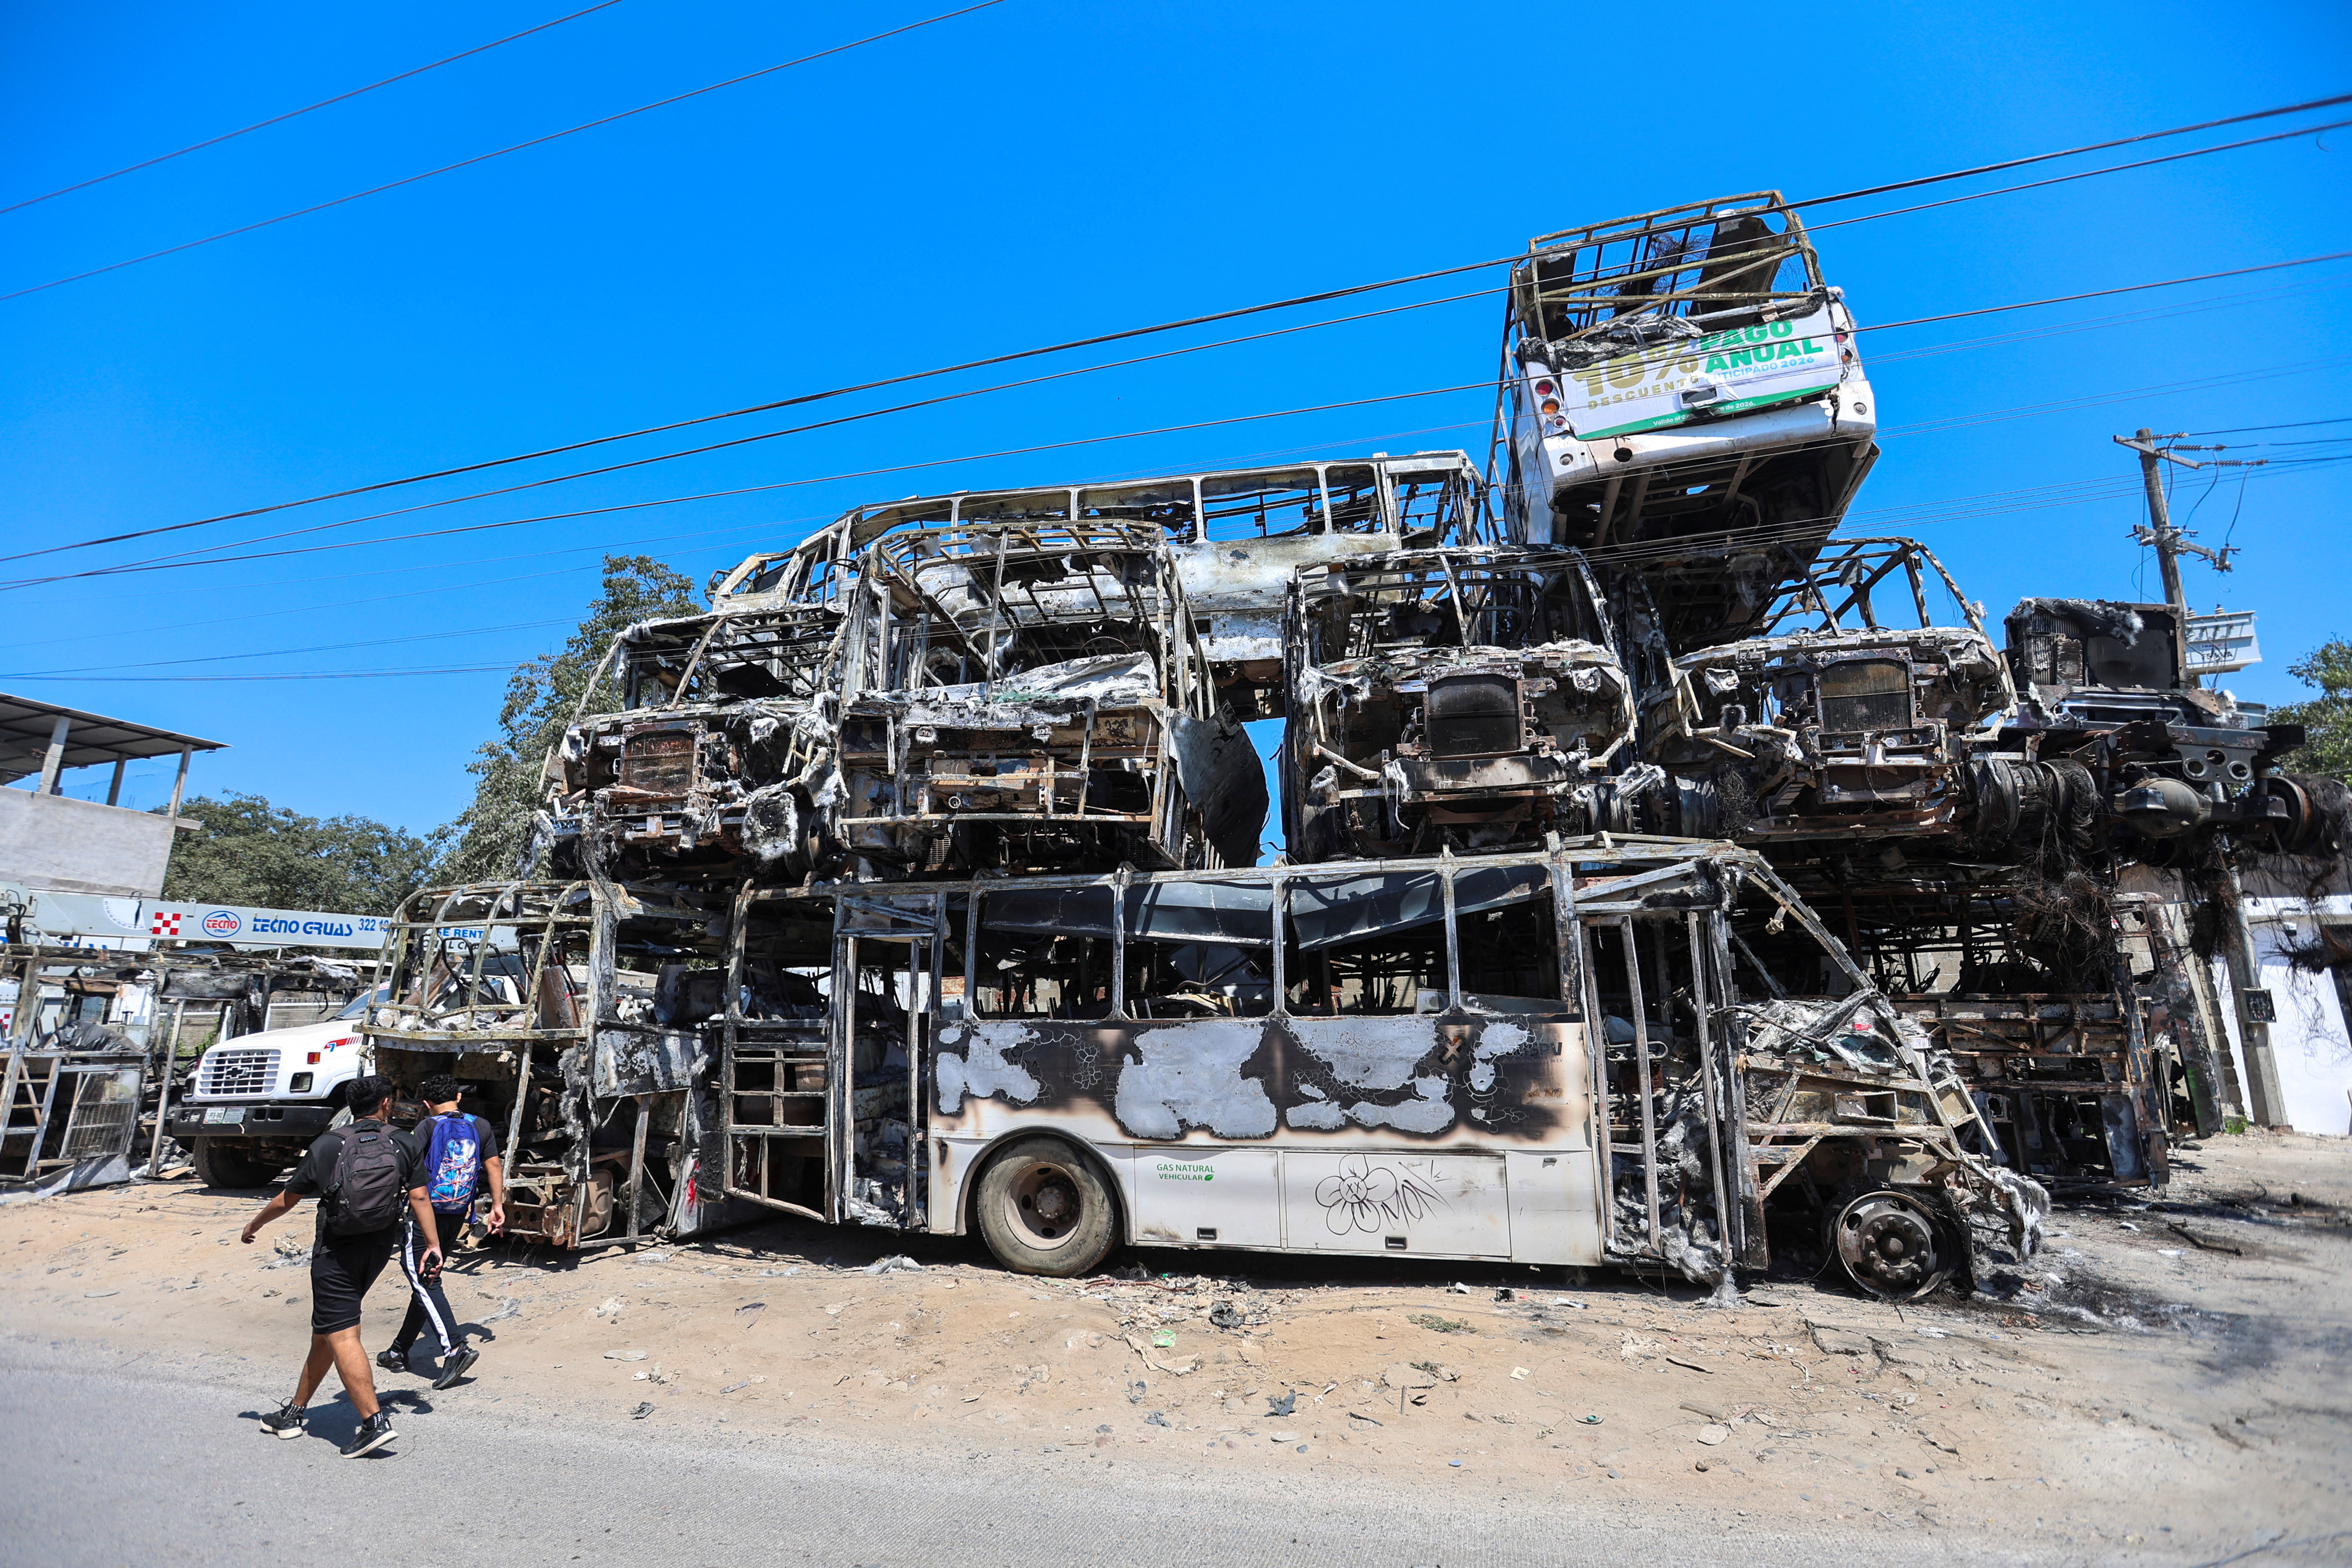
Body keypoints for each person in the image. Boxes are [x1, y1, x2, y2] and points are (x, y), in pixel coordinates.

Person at [240, 1073, 440, 1458]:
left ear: (351, 1106)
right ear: (385, 1104)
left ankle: (373, 1423)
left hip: (336, 1251)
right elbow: (419, 1197)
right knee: (331, 1328)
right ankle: (294, 1412)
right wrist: (432, 1244)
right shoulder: (404, 1140)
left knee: (343, 1332)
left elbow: (288, 1198)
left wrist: (255, 1224)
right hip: (378, 1248)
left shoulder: (329, 1144)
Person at [380, 1073, 505, 1388]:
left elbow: (407, 1168)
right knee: (428, 1279)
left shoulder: (426, 1126)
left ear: (426, 1104)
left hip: (428, 1214)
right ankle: (399, 1350)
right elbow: (493, 1166)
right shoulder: (481, 1125)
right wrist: (498, 1206)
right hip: (457, 1212)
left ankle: (455, 1348)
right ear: (459, 1098)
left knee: (422, 1277)